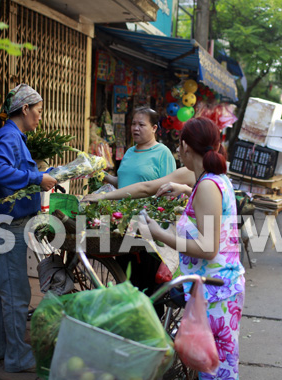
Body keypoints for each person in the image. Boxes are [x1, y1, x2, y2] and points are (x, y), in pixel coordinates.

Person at [139, 117, 244, 379]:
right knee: (213, 367)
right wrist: (185, 189)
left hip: (216, 293)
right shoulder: (210, 180)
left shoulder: (208, 185)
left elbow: (208, 248)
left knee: (215, 371)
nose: (177, 151)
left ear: (185, 146)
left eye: (178, 145)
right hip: (215, 288)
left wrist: (160, 234)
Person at [0, 84, 57, 372]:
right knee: (15, 295)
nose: (39, 118)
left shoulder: (13, 136)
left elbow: (11, 172)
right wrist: (36, 179)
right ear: (25, 109)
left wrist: (42, 176)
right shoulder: (10, 136)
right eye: (37, 112)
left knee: (2, 293)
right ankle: (17, 358)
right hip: (7, 227)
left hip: (4, 226)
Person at [101, 107, 177, 300]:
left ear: (154, 128)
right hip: (124, 224)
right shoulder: (129, 152)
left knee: (147, 286)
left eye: (141, 124)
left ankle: (152, 325)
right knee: (125, 280)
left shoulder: (163, 153)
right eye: (133, 124)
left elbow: (169, 192)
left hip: (149, 228)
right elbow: (125, 184)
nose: (135, 128)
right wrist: (105, 177)